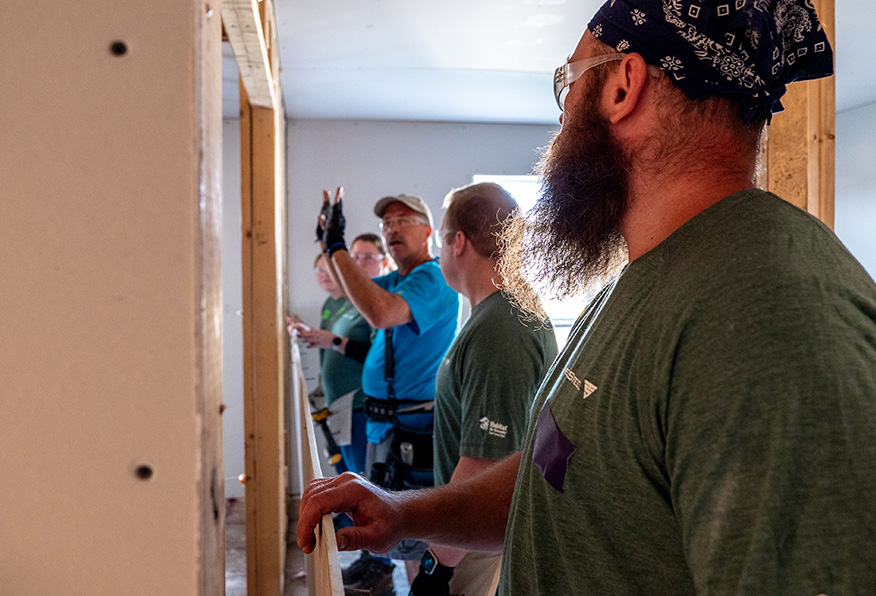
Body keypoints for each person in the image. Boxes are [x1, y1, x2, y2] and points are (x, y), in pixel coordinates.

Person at [298, 1, 876, 595]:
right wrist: (406, 514)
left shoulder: (770, 316)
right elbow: (559, 470)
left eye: (566, 82)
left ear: (624, 87)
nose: (562, 112)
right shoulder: (645, 276)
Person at [406, 182, 558, 596]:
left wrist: (436, 566)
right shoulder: (493, 313)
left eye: (440, 239)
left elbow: (486, 462)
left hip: (478, 545)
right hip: (469, 536)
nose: (439, 253)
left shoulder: (501, 325)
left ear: (458, 242)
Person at [321, 190, 459, 594]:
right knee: (396, 532)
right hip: (389, 426)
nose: (392, 229)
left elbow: (380, 313)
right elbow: (353, 290)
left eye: (403, 221)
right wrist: (328, 242)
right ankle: (386, 577)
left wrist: (336, 245)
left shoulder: (431, 278)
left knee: (415, 535)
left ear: (428, 231)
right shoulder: (399, 278)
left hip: (413, 426)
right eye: (386, 223)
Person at [288, 252, 376, 474]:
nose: (324, 275)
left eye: (329, 269)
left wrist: (335, 341)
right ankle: (346, 510)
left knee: (360, 474)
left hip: (357, 401)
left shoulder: (361, 304)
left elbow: (371, 353)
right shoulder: (330, 303)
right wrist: (303, 328)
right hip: (335, 401)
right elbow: (328, 339)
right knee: (344, 469)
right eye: (319, 270)